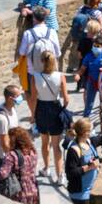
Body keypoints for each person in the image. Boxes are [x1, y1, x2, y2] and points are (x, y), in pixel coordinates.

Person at [32, 53, 70, 183]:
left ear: (42, 61)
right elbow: (66, 99)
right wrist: (62, 109)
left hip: (42, 109)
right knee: (56, 145)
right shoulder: (60, 76)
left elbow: (33, 98)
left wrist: (33, 115)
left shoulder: (35, 77)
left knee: (44, 142)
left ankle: (47, 168)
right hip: (55, 108)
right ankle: (60, 175)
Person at [15, 6, 59, 112]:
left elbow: (22, 52)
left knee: (31, 95)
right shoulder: (52, 32)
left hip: (32, 72)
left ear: (34, 18)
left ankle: (34, 117)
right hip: (50, 71)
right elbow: (58, 53)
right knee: (50, 94)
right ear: (45, 18)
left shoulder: (28, 33)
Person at [0, 126, 41, 204]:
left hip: (19, 193)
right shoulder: (33, 151)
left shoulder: (12, 155)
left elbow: (2, 174)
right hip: (34, 190)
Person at [65, 117, 101, 204]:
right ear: (85, 132)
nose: (92, 131)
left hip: (91, 190)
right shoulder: (74, 150)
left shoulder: (88, 142)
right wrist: (90, 167)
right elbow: (71, 172)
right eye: (90, 130)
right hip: (80, 194)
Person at [78, 33, 102, 120]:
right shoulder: (88, 56)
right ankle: (86, 119)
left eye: (98, 46)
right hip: (92, 81)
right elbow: (83, 68)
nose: (95, 47)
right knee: (89, 101)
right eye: (94, 45)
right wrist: (78, 75)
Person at [0, 83, 24, 167]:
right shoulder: (1, 118)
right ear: (10, 98)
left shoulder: (12, 108)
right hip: (3, 156)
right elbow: (4, 144)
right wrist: (12, 158)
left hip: (12, 150)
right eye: (18, 96)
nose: (21, 98)